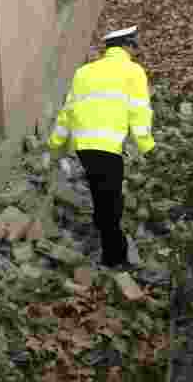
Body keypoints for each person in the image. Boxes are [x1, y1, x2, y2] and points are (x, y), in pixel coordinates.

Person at [47, 25, 155, 269]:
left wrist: (55, 146)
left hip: (84, 146)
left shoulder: (83, 72)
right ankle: (114, 258)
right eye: (134, 45)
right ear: (128, 46)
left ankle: (100, 232)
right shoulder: (133, 71)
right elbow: (139, 112)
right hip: (108, 146)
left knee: (100, 192)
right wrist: (147, 146)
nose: (135, 50)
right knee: (112, 203)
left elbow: (67, 112)